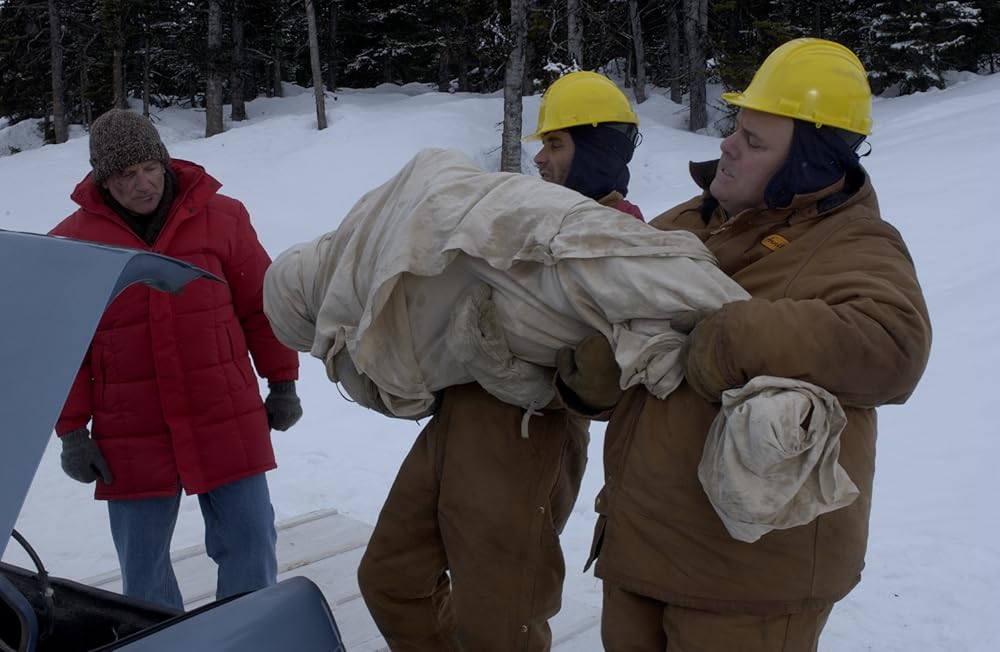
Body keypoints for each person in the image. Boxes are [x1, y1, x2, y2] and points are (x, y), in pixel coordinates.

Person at [554, 38, 933, 650]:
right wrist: (594, 372)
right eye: (736, 128)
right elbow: (624, 330)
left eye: (755, 141)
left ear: (806, 165)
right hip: (640, 552)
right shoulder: (688, 221)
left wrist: (731, 338)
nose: (728, 145)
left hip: (750, 580)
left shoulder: (854, 240)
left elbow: (894, 344)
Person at [355, 73, 645, 651]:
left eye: (556, 144)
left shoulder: (624, 244)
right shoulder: (523, 214)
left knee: (500, 624)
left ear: (598, 152)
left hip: (528, 438)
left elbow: (617, 384)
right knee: (391, 578)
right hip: (457, 417)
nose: (539, 157)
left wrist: (584, 370)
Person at [49, 108, 303, 611]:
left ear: (164, 161)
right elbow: (64, 348)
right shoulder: (72, 245)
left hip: (223, 410)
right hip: (131, 425)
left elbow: (261, 306)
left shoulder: (223, 217)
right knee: (142, 567)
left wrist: (283, 382)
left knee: (251, 541)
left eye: (150, 167)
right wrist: (72, 431)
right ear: (103, 179)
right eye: (126, 175)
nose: (143, 183)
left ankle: (248, 634)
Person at [529, 70, 644, 221]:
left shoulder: (623, 232)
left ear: (595, 156)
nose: (538, 157)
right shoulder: (550, 224)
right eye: (544, 145)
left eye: (555, 145)